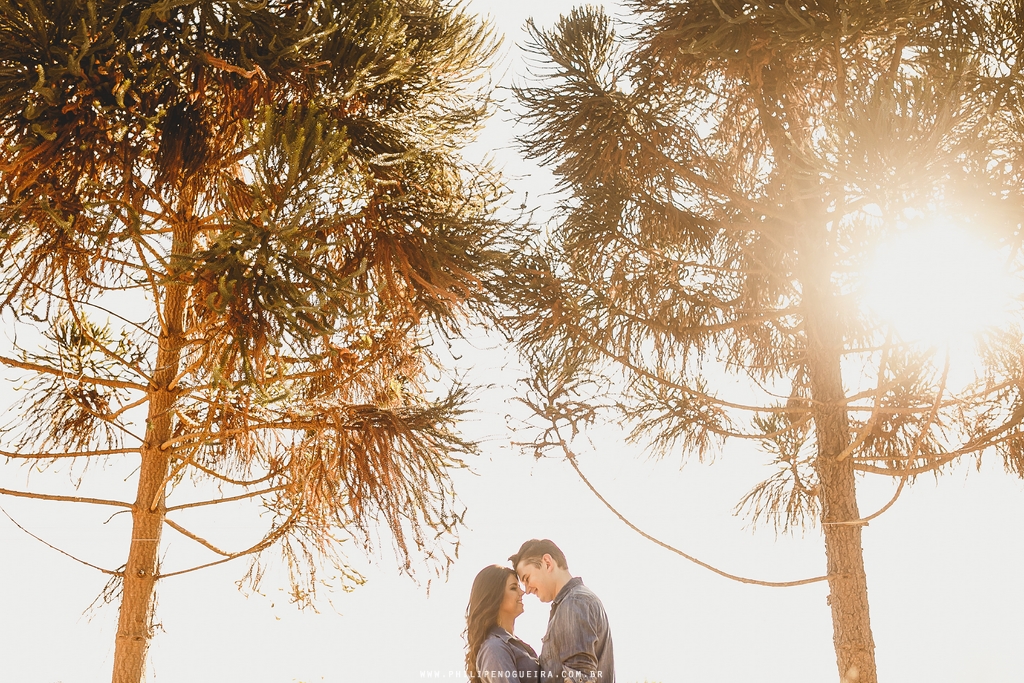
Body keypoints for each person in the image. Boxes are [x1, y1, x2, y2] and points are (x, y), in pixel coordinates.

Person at [510, 539, 614, 682]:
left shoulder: (574, 603)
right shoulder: (572, 603)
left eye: (527, 579)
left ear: (547, 563)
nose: (527, 590)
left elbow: (578, 677)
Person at [465, 564, 540, 682]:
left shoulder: (513, 645)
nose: (522, 592)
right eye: (513, 588)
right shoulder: (494, 648)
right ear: (496, 597)